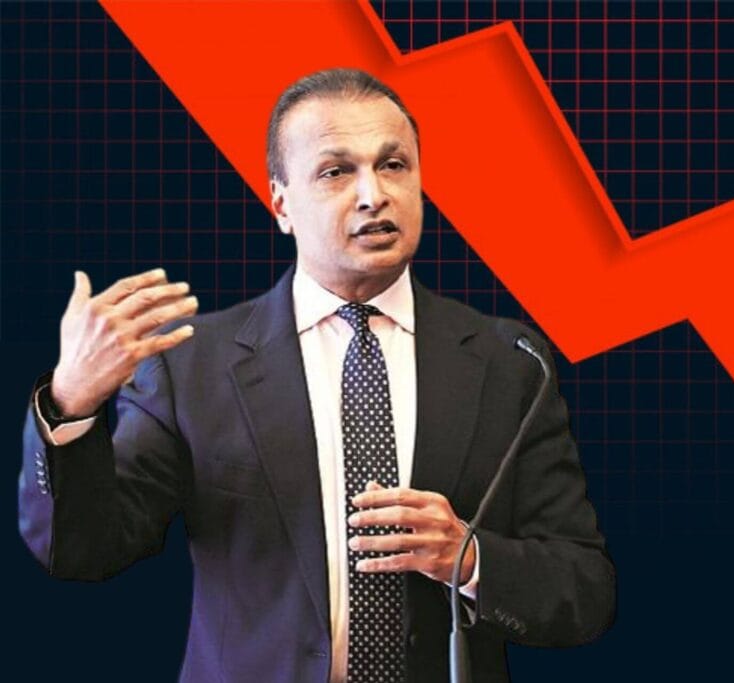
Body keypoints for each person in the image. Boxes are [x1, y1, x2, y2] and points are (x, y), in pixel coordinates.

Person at [17, 67, 615, 683]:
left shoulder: (510, 362)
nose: (373, 194)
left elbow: (585, 591)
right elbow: (83, 550)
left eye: (393, 165)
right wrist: (71, 402)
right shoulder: (193, 366)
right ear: (281, 203)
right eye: (336, 172)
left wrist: (467, 558)